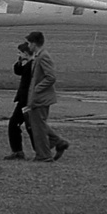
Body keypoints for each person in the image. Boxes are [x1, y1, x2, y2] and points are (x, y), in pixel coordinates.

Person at [24, 31, 69, 162]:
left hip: (41, 98)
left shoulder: (43, 56)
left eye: (28, 43)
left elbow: (51, 77)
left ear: (34, 43)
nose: (28, 46)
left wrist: (37, 89)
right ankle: (55, 143)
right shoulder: (39, 56)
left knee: (39, 128)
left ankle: (44, 155)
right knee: (38, 125)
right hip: (37, 97)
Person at [4, 41, 36, 159]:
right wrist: (19, 61)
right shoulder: (29, 64)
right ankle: (23, 150)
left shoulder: (31, 65)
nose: (19, 54)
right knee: (28, 125)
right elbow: (18, 71)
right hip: (24, 98)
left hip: (26, 99)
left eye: (20, 52)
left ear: (26, 53)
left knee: (15, 124)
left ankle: (18, 151)